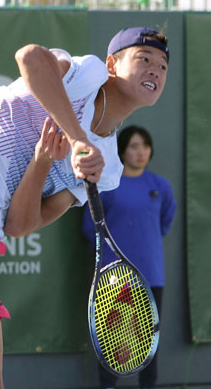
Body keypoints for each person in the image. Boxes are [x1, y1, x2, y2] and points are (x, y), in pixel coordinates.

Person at [0, 26, 170, 389]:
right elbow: (30, 57)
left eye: (163, 66)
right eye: (144, 58)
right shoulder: (85, 74)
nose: (155, 70)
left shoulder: (108, 171)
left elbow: (20, 224)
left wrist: (42, 162)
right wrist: (77, 139)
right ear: (112, 65)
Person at [82, 125, 176, 389]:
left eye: (144, 145)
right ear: (122, 150)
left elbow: (164, 223)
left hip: (151, 276)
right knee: (112, 339)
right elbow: (92, 229)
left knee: (148, 341)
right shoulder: (108, 186)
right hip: (115, 279)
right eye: (134, 146)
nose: (140, 151)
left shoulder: (160, 187)